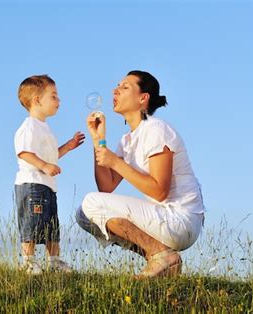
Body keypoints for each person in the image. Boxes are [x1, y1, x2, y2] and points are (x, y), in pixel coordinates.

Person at [75, 70, 205, 278]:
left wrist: (116, 162)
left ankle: (161, 255)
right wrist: (98, 139)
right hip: (162, 219)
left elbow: (159, 191)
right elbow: (106, 187)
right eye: (117, 86)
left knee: (91, 202)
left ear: (143, 98)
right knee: (84, 214)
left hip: (180, 220)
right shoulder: (127, 141)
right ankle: (160, 258)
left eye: (125, 87)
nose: (115, 90)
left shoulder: (156, 129)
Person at [14, 74, 85, 274]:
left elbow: (51, 157)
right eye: (53, 96)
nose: (58, 101)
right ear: (37, 100)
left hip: (47, 186)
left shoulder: (45, 128)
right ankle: (28, 261)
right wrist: (44, 166)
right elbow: (24, 152)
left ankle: (53, 261)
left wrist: (68, 147)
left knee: (51, 224)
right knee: (31, 222)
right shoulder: (29, 127)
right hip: (32, 184)